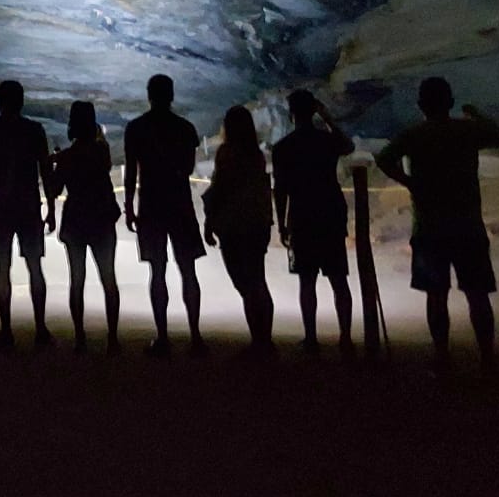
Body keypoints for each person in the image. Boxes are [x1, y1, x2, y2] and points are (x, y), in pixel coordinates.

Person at [375, 77, 499, 373]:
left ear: (421, 105)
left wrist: (409, 182)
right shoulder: (465, 130)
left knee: (436, 295)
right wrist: (476, 115)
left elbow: (384, 159)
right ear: (449, 102)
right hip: (467, 224)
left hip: (429, 226)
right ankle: (487, 357)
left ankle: (442, 356)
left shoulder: (414, 135)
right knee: (477, 294)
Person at [123, 74, 206, 357]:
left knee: (157, 271)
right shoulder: (185, 128)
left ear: (149, 95)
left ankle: (163, 337)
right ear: (171, 95)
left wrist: (129, 206)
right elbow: (189, 168)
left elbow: (132, 171)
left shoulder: (136, 128)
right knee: (188, 270)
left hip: (151, 205)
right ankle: (195, 336)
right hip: (180, 204)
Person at [272, 90, 356, 357]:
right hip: (330, 213)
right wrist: (327, 116)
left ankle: (311, 338)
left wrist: (282, 222)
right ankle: (345, 338)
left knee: (306, 281)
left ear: (291, 113)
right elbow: (347, 146)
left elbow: (281, 188)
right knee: (338, 279)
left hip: (302, 215)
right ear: (313, 110)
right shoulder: (325, 142)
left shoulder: (284, 147)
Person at [0, 80, 54, 350]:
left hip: (0, 206)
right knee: (35, 267)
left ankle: (6, 330)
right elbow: (45, 170)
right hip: (29, 205)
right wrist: (52, 208)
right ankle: (41, 329)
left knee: (2, 268)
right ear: (22, 101)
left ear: (0, 101)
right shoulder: (34, 130)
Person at [203, 105, 276, 359]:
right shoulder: (255, 155)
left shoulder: (227, 153)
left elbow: (220, 188)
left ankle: (259, 341)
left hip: (234, 225)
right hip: (256, 223)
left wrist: (209, 221)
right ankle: (264, 341)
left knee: (244, 283)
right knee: (257, 279)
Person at [50, 101, 121, 355]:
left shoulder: (68, 157)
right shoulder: (103, 152)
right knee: (108, 278)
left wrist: (54, 163)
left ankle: (80, 338)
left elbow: (55, 189)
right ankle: (113, 339)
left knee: (76, 280)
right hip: (102, 217)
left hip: (76, 219)